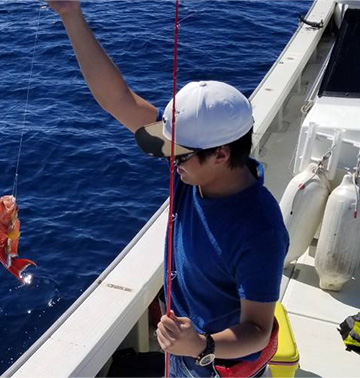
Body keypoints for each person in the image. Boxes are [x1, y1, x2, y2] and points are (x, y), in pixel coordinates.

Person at [45, 1, 289, 377]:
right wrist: (70, 13)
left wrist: (201, 345)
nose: (170, 162)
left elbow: (257, 331)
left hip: (215, 366)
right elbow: (118, 100)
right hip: (180, 349)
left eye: (179, 157)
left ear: (221, 154)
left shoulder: (259, 230)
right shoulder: (196, 169)